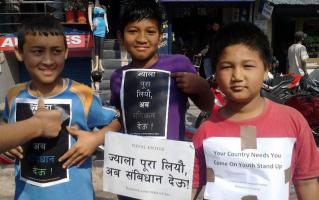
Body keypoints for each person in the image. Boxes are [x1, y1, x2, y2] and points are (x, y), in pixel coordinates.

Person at [192, 22, 319, 200]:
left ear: (266, 68)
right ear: (216, 72)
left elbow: (307, 182)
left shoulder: (293, 122)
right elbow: (190, 186)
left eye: (248, 66)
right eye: (227, 66)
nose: (237, 76)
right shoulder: (206, 131)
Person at [2, 15, 120, 200]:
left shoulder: (83, 94)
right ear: (19, 52)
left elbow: (118, 121)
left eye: (56, 51)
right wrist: (9, 140)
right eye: (38, 51)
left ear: (66, 52)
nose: (48, 60)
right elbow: (4, 123)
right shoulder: (13, 95)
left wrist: (95, 139)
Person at [110, 0, 213, 141]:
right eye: (133, 31)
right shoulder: (118, 77)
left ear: (160, 37)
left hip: (170, 160)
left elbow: (207, 106)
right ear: (120, 37)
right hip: (134, 158)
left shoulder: (179, 64)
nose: (141, 39)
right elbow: (123, 118)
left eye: (150, 32)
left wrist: (201, 86)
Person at [88, 0, 109, 72]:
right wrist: (91, 25)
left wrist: (107, 26)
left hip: (102, 27)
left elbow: (105, 18)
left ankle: (100, 65)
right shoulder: (91, 6)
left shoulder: (104, 7)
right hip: (96, 27)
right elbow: (90, 17)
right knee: (96, 46)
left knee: (101, 46)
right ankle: (96, 65)